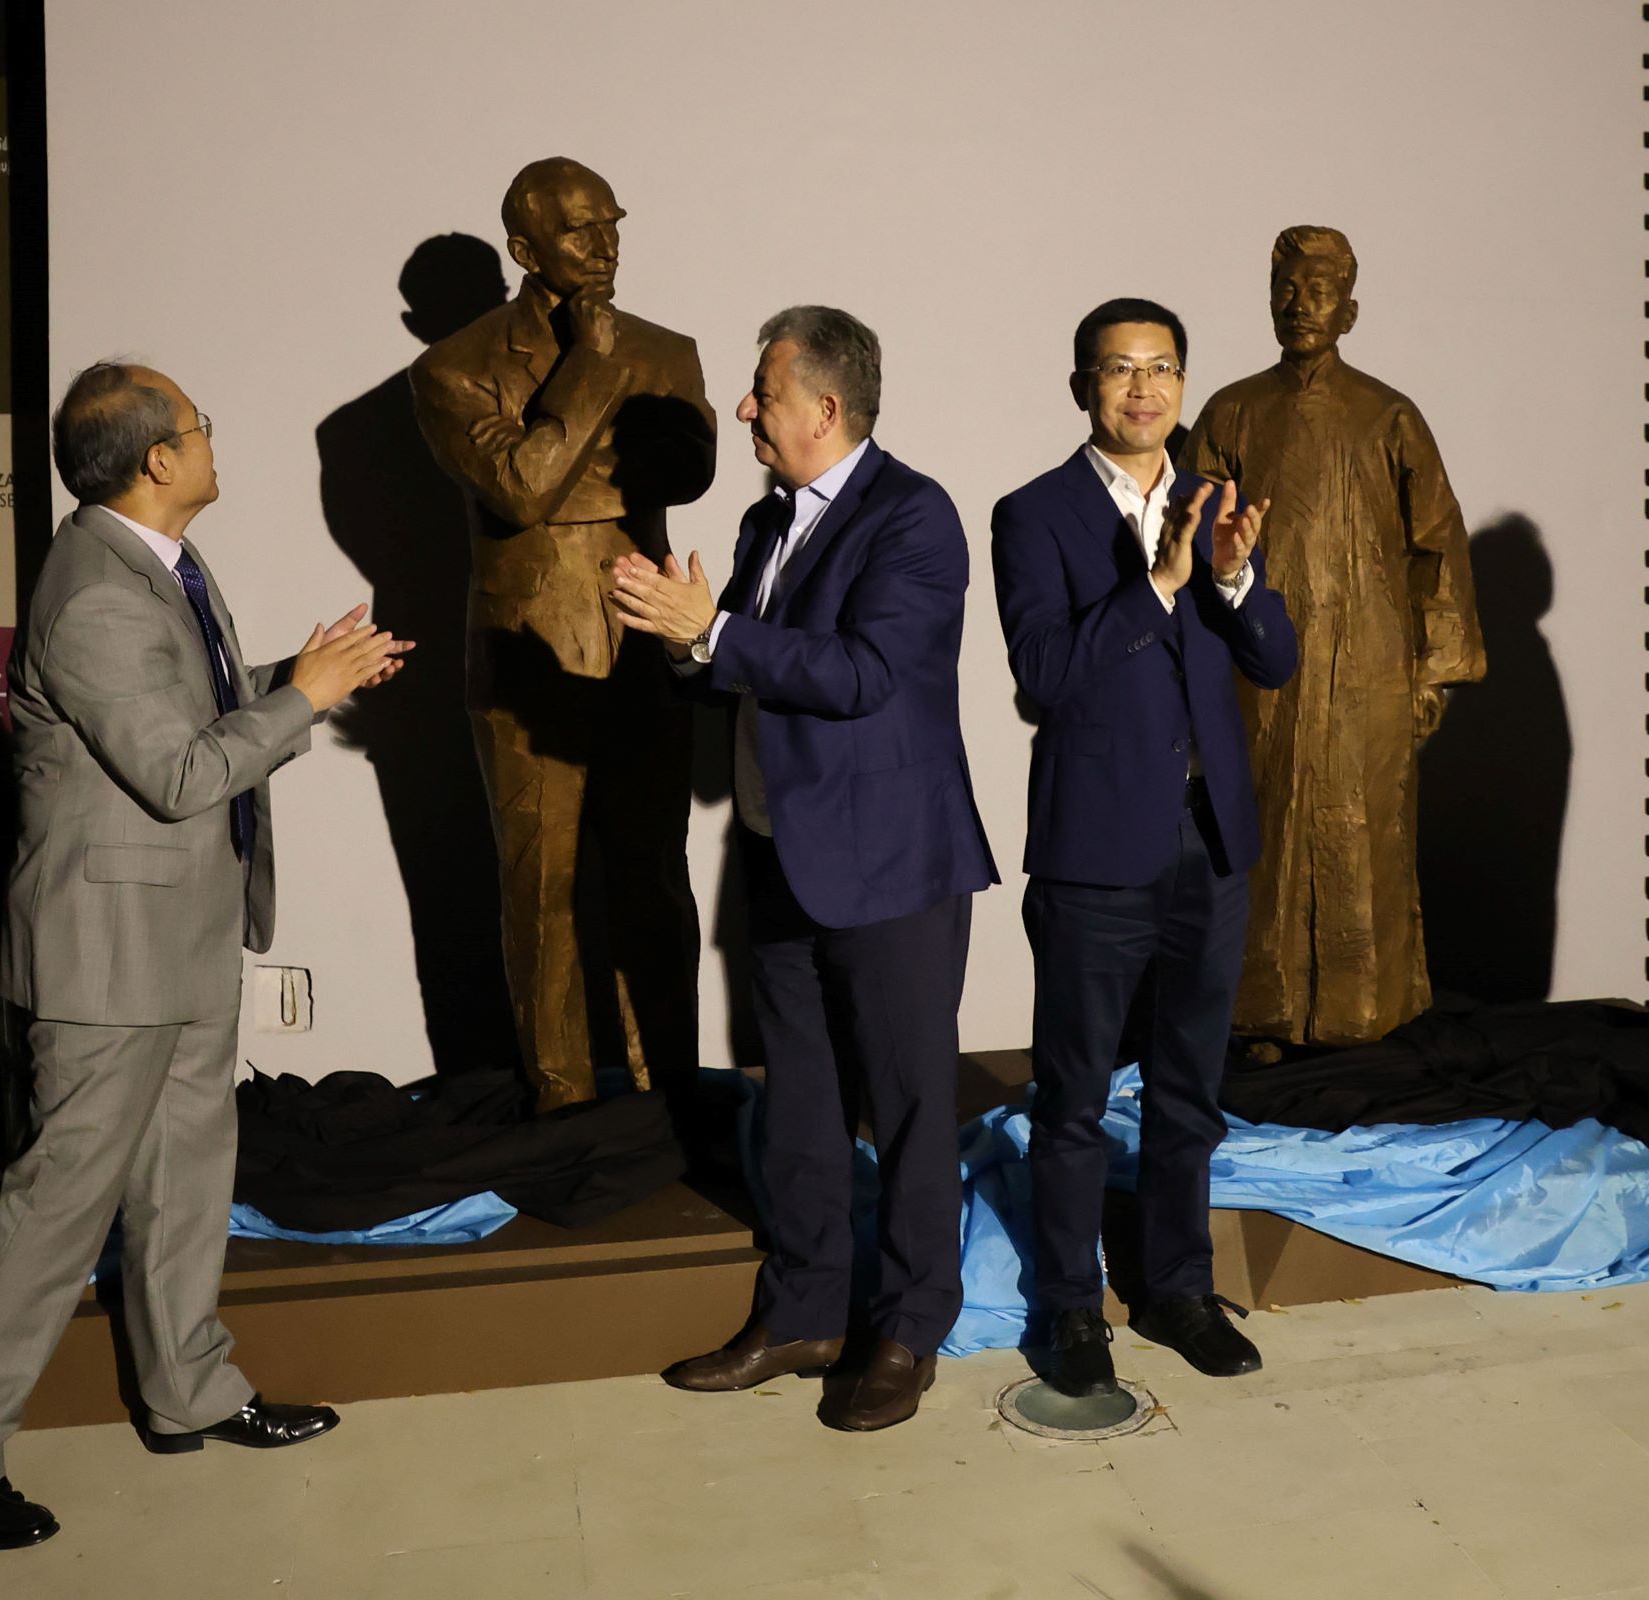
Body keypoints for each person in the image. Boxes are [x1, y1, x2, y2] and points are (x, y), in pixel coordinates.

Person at [0, 363, 409, 1549]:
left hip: (180, 935)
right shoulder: (96, 594)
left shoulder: (160, 563)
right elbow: (180, 775)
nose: (212, 438)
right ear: (157, 460)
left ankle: (191, 1390)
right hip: (107, 957)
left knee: (188, 1179)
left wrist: (301, 679)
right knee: (56, 1208)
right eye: (198, 426)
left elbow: (185, 716)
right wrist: (304, 700)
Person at [610, 306, 995, 1432]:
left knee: (910, 1106)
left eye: (763, 393)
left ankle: (911, 1329)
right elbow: (740, 673)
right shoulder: (764, 518)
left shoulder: (915, 516)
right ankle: (806, 1314)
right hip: (782, 854)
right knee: (802, 1105)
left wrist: (717, 632)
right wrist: (684, 642)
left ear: (825, 408)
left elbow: (866, 674)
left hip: (894, 867)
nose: (743, 408)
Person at [991, 298, 1298, 1400]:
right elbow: (1043, 676)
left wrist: (1230, 577)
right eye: (1119, 369)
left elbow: (1274, 661)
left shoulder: (1217, 504)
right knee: (1074, 1094)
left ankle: (1177, 1288)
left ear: (1182, 383)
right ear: (1083, 386)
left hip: (1210, 841)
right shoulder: (1033, 514)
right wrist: (1159, 583)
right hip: (1095, 843)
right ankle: (1071, 1305)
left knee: (1188, 1088)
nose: (1142, 388)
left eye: (1160, 368)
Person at [409, 157, 717, 1112]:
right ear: (524, 248)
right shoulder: (454, 368)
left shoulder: (669, 350)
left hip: (641, 641)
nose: (604, 244)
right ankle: (564, 1106)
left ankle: (669, 1097)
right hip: (524, 658)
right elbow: (519, 490)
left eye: (612, 223)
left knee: (652, 880)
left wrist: (552, 461)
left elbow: (685, 471)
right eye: (580, 230)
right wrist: (589, 371)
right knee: (540, 889)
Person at [1181, 225, 1485, 1050]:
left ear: (1349, 310)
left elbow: (1438, 547)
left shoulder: (1389, 415)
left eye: (1318, 291)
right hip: (1260, 669)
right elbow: (1188, 543)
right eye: (1287, 289)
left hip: (1372, 671)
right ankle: (1257, 1013)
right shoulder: (1232, 412)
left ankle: (1367, 1013)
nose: (1300, 304)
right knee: (1263, 837)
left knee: (1364, 836)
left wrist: (1433, 675)